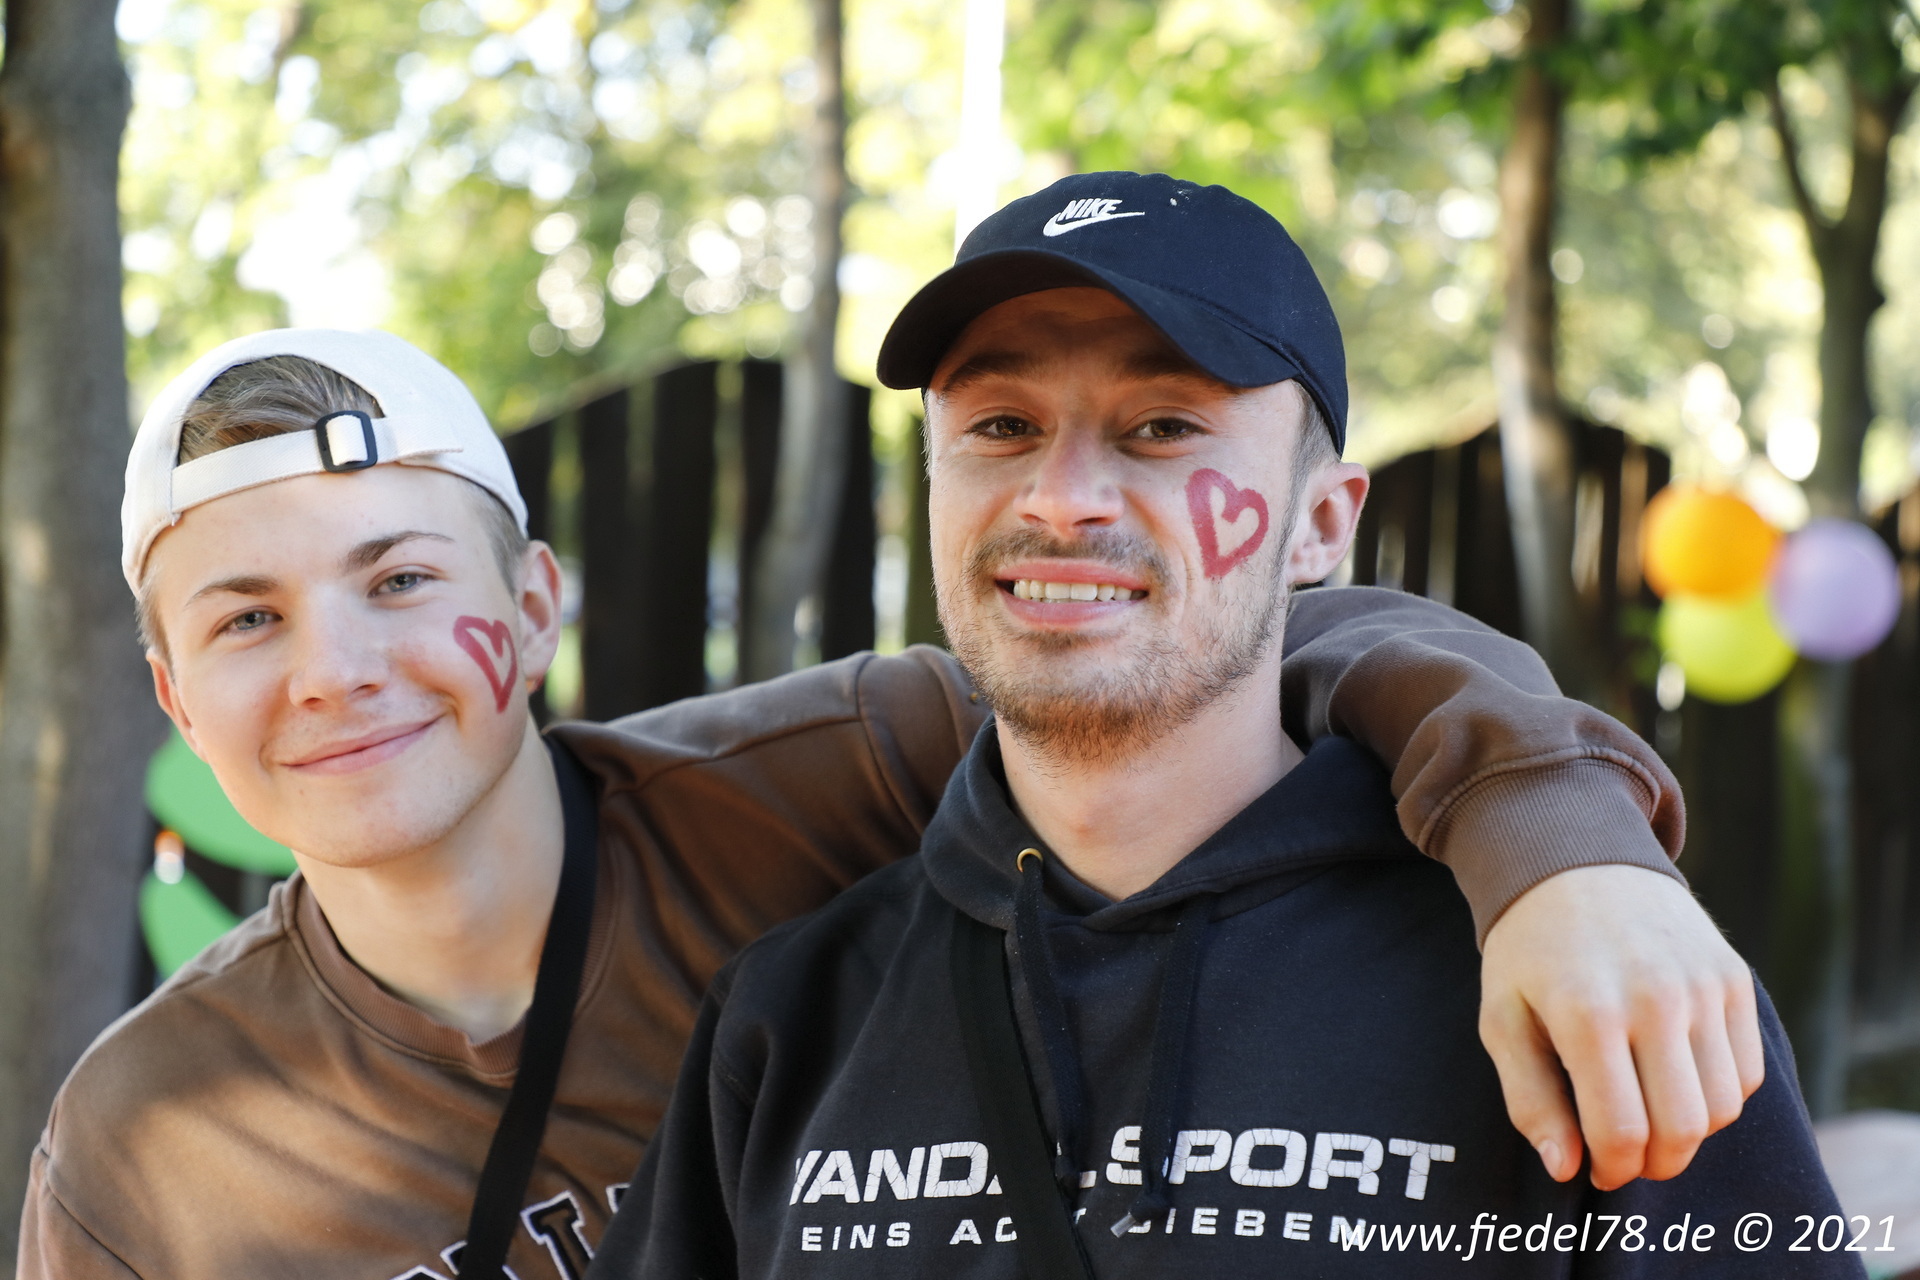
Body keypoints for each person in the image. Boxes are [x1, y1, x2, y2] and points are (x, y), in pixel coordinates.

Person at [18, 306, 1738, 1280]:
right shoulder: (146, 1142)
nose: (334, 670)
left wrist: (1557, 851)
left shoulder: (829, 780)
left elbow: (1271, 641)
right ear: (176, 695)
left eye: (401, 581)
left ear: (536, 611)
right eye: (247, 620)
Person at [590, 172, 1852, 1278]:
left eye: (1162, 426)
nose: (1064, 497)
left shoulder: (1581, 980)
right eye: (1001, 425)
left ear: (1321, 523)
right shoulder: (788, 1017)